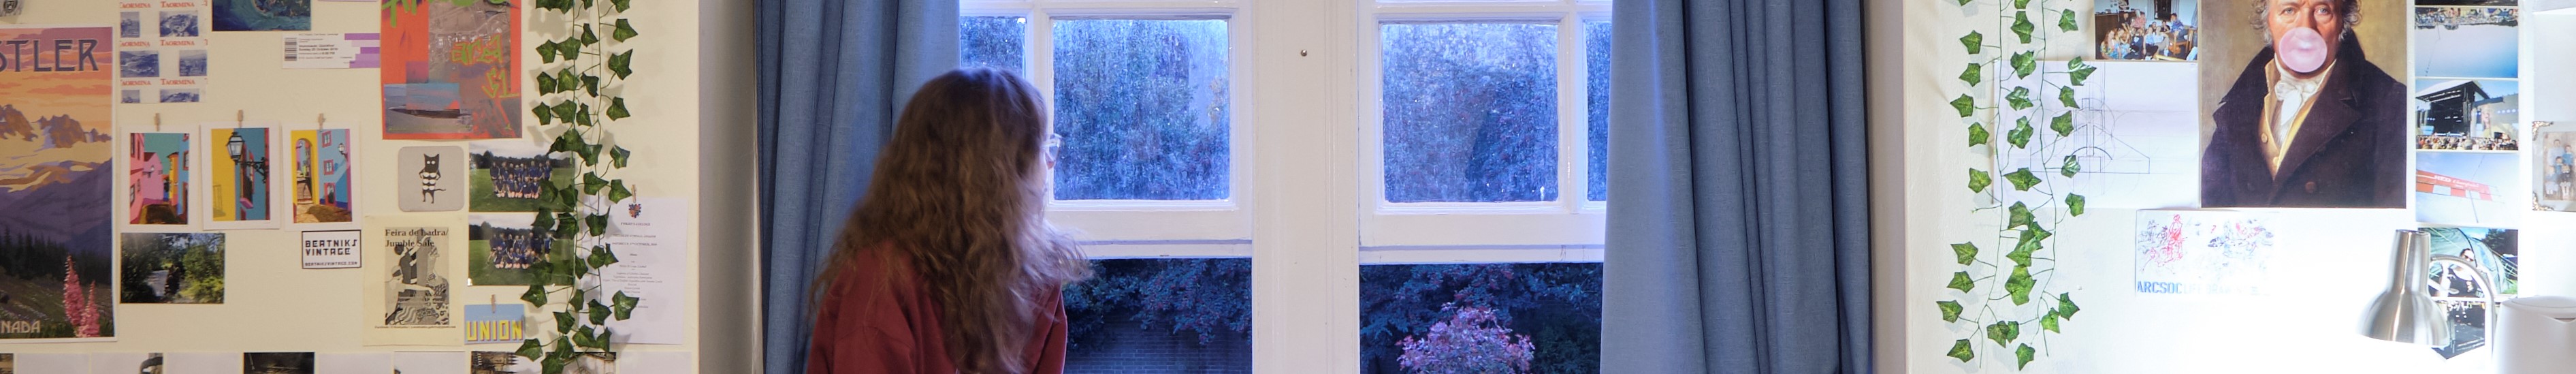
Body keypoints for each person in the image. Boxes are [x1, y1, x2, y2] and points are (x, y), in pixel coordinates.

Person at [805, 68, 1093, 374]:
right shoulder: (880, 280)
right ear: (997, 172)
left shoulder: (1039, 277)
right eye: (1041, 148)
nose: (1049, 165)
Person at [2202, 0, 2407, 208]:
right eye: (2289, 10)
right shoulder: (2240, 101)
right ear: (2268, 21)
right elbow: (2210, 203)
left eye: (2322, 10)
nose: (2306, 28)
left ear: (2342, 22)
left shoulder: (2390, 102)